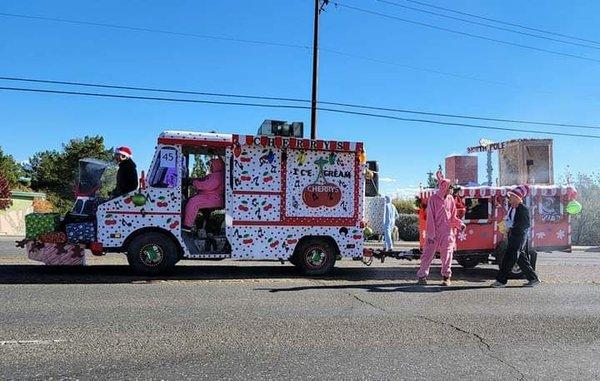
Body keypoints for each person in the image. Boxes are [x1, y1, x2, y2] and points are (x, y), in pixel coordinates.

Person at [417, 171, 465, 286]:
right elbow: (430, 219)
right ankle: (422, 276)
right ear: (444, 187)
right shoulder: (433, 199)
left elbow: (453, 216)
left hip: (447, 233)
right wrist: (431, 234)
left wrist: (460, 224)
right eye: (450, 188)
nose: (451, 190)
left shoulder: (450, 199)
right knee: (427, 255)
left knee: (447, 255)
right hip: (434, 232)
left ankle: (446, 277)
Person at [491, 185, 540, 288]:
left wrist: (513, 229)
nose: (510, 198)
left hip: (519, 236)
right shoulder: (512, 208)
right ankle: (533, 279)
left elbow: (525, 225)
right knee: (521, 258)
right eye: (510, 196)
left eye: (512, 197)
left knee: (510, 258)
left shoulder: (523, 209)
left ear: (518, 198)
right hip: (513, 235)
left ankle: (501, 281)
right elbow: (509, 221)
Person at [183, 157, 225, 231]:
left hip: (213, 198)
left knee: (193, 202)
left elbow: (207, 185)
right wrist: (195, 181)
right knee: (191, 200)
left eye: (211, 165)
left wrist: (194, 183)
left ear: (217, 165)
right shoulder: (215, 175)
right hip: (210, 197)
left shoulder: (217, 176)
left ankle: (187, 226)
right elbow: (204, 181)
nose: (210, 167)